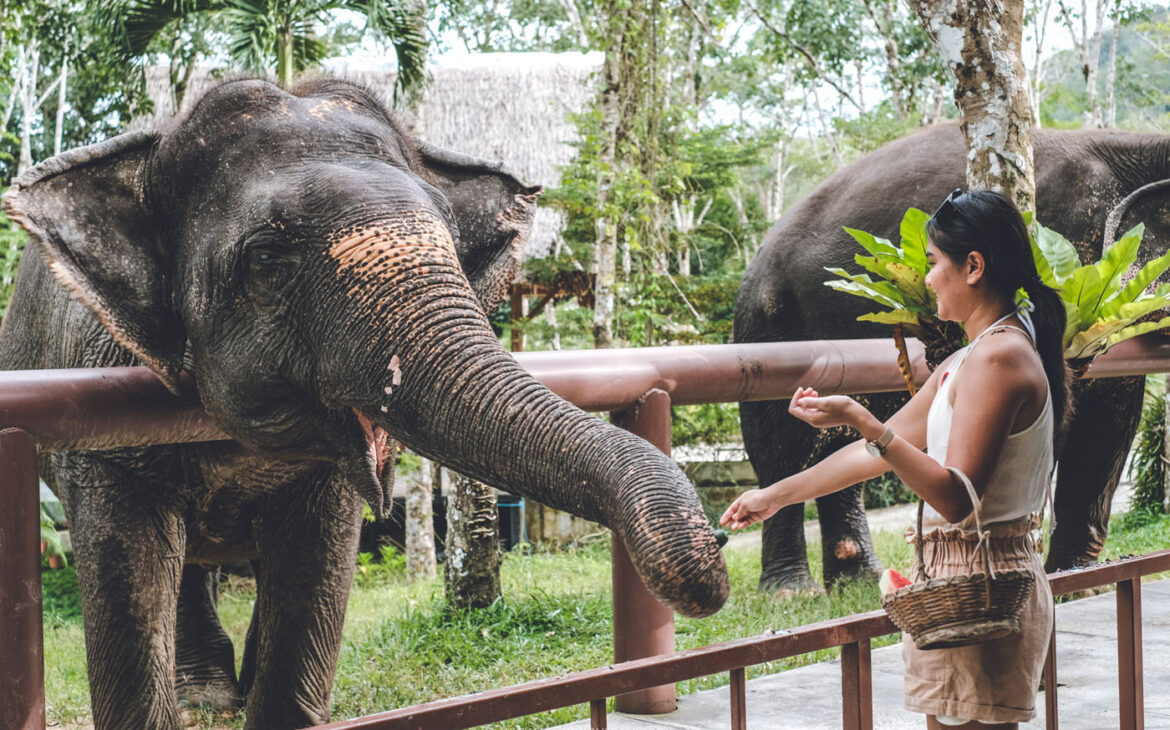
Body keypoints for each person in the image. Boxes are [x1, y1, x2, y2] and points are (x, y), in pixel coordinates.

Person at [721, 189, 1069, 729]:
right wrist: (774, 496)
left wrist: (865, 420)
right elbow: (872, 454)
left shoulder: (1000, 358)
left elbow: (957, 497)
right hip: (955, 585)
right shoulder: (970, 356)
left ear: (973, 266)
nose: (927, 279)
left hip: (982, 584)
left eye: (933, 263)